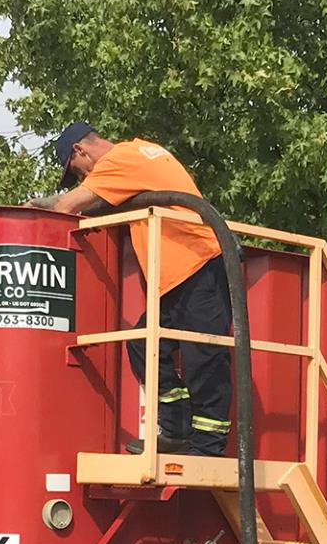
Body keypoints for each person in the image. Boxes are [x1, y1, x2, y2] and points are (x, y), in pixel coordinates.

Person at [32, 122, 232, 456]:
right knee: (143, 343)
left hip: (197, 265)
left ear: (80, 151)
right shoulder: (141, 152)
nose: (82, 178)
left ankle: (208, 447)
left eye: (76, 171)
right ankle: (176, 430)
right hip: (176, 277)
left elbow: (66, 206)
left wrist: (33, 208)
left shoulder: (118, 161)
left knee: (204, 357)